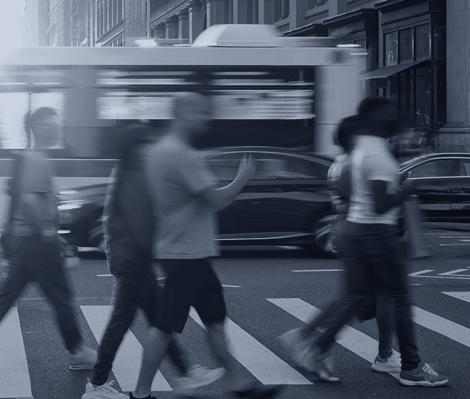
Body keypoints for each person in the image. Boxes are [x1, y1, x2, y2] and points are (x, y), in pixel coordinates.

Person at [282, 97, 448, 387]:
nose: (397, 116)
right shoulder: (376, 154)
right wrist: (408, 188)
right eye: (390, 113)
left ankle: (318, 347)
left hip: (356, 230)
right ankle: (410, 366)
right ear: (376, 119)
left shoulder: (360, 152)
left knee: (356, 297)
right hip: (376, 233)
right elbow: (381, 204)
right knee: (396, 299)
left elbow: (352, 194)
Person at [131, 92, 282, 399]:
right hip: (184, 253)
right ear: (184, 114)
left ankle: (240, 384)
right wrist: (243, 177)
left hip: (190, 252)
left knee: (215, 321)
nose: (206, 118)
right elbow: (217, 199)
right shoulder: (179, 153)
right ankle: (141, 393)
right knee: (163, 328)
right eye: (200, 112)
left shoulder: (162, 151)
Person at [83, 125, 223, 399]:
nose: (149, 148)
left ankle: (185, 372)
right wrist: (163, 252)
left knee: (159, 320)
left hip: (132, 257)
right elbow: (141, 224)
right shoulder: (134, 175)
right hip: (133, 259)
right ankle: (97, 384)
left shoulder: (128, 171)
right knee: (122, 321)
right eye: (143, 144)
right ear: (133, 148)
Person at [0, 106, 97, 371]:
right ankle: (78, 351)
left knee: (8, 295)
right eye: (49, 125)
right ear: (37, 129)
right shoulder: (38, 159)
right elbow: (30, 200)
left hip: (25, 240)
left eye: (57, 124)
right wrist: (46, 232)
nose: (55, 129)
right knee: (61, 297)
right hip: (36, 241)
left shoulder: (30, 157)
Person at [279, 114, 397, 382]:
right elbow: (355, 203)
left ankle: (306, 338)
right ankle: (320, 345)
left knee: (355, 297)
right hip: (362, 234)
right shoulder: (351, 163)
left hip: (353, 233)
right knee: (364, 297)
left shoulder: (347, 161)